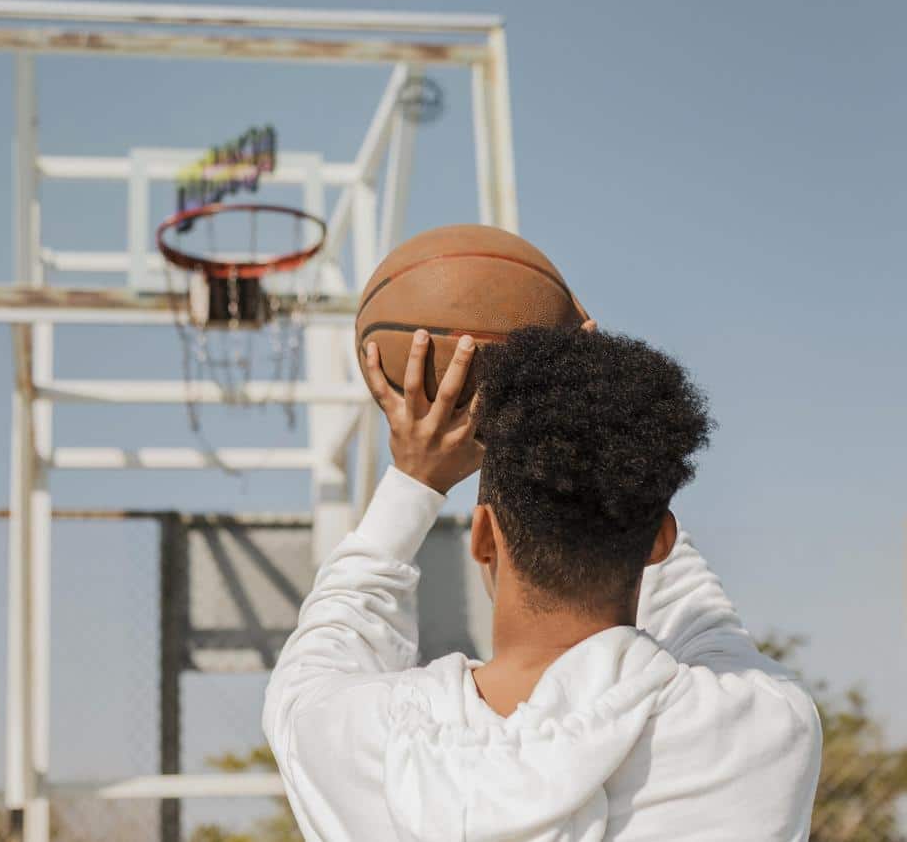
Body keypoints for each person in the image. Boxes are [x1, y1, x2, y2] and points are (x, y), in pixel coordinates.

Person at [262, 324, 821, 841]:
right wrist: (611, 417)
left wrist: (415, 479)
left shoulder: (358, 743)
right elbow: (704, 619)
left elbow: (327, 641)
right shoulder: (764, 732)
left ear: (483, 536)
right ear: (660, 539)